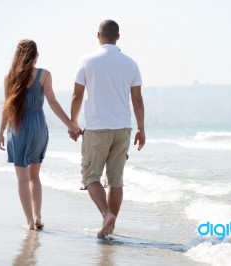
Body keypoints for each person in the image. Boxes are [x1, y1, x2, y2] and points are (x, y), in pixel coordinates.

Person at [70, 20, 145, 239]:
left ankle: (105, 216)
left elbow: (77, 95)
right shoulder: (130, 63)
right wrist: (141, 128)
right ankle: (110, 229)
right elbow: (138, 100)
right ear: (118, 37)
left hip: (97, 128)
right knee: (116, 181)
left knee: (90, 177)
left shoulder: (87, 60)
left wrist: (73, 123)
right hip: (123, 129)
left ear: (98, 35)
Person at [0, 39, 81, 230]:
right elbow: (52, 102)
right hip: (38, 127)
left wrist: (1, 132)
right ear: (36, 56)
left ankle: (29, 222)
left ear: (18, 56)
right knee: (35, 176)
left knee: (22, 178)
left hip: (17, 127)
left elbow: (7, 108)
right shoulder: (44, 75)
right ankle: (38, 218)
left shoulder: (9, 77)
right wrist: (71, 124)